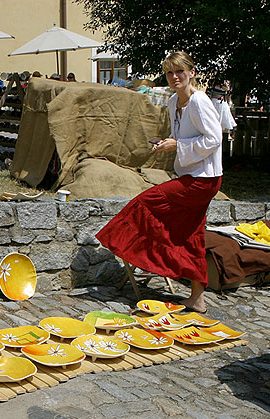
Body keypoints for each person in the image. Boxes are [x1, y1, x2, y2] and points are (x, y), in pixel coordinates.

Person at [95, 51, 222, 313]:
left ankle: (146, 255)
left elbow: (213, 139)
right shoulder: (176, 100)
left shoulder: (199, 101)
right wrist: (168, 143)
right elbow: (185, 137)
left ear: (192, 72)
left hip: (204, 179)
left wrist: (178, 144)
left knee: (145, 202)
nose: (175, 77)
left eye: (180, 72)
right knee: (191, 234)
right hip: (193, 175)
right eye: (169, 73)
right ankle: (197, 297)